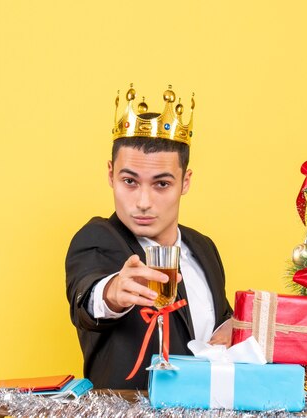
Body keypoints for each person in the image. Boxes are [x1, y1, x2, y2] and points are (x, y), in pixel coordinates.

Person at [65, 85, 233, 390]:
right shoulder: (96, 238)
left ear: (185, 182)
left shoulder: (204, 248)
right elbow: (88, 297)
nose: (143, 201)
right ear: (110, 174)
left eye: (161, 184)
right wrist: (112, 293)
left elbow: (222, 324)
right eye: (129, 181)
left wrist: (237, 328)